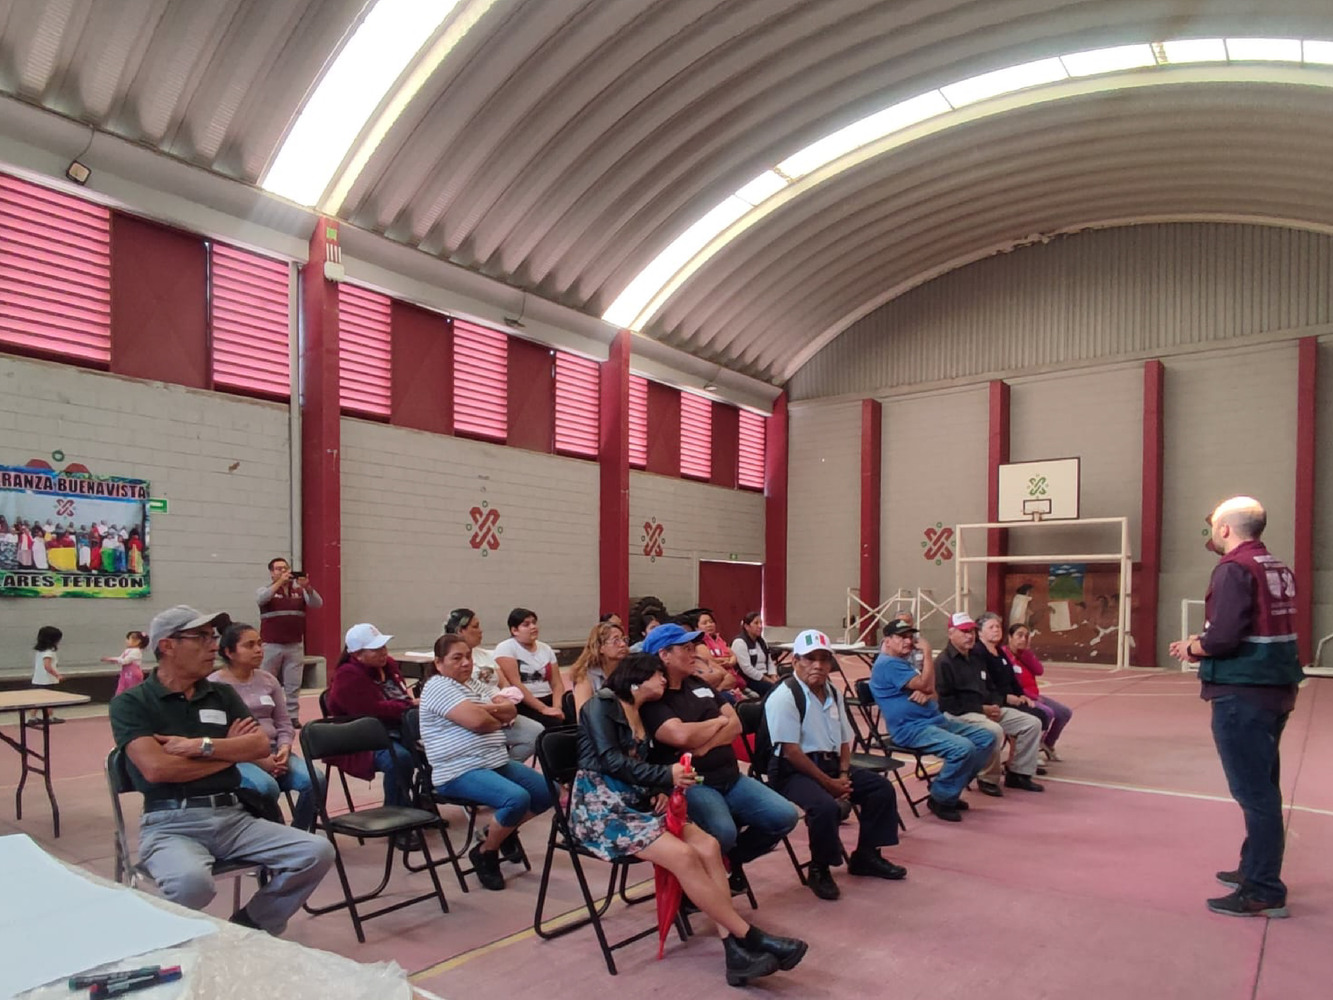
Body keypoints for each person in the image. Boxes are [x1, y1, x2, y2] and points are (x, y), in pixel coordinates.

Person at [573, 654, 808, 986]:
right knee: (684, 855)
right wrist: (664, 777)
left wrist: (658, 788)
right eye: (657, 675)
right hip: (602, 808)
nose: (663, 680)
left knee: (709, 846)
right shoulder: (600, 706)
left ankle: (734, 951)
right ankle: (749, 937)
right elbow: (610, 761)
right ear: (636, 678)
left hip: (637, 800)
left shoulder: (641, 711)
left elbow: (647, 761)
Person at [108, 605, 334, 933]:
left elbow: (258, 746)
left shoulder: (221, 694)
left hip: (233, 817)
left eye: (213, 636)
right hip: (170, 823)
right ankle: (172, 942)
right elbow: (156, 769)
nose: (213, 645)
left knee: (316, 851)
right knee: (192, 884)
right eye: (201, 637)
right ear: (167, 646)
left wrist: (202, 746)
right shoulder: (132, 703)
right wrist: (230, 750)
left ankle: (251, 925)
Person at [1169, 496, 1304, 919]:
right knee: (1263, 786)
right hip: (1275, 687)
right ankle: (1253, 868)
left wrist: (1194, 647)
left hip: (1243, 691)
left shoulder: (1233, 569)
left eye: (1214, 525)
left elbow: (1224, 637)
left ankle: (1263, 887)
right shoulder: (1276, 567)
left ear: (1225, 528)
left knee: (1254, 793)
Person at [639, 623, 798, 889]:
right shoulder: (655, 698)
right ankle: (699, 882)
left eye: (693, 647)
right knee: (723, 832)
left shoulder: (698, 684)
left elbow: (735, 723)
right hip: (694, 783)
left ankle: (730, 861)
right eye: (685, 648)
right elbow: (680, 736)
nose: (694, 653)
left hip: (731, 777)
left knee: (784, 816)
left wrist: (704, 745)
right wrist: (717, 723)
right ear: (664, 655)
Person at [765, 629, 905, 901]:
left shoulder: (833, 692)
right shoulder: (784, 696)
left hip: (829, 766)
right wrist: (829, 784)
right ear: (795, 661)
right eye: (810, 658)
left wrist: (842, 774)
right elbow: (791, 752)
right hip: (792, 771)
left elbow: (843, 738)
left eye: (824, 659)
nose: (817, 665)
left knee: (880, 789)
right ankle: (819, 868)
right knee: (825, 807)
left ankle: (866, 855)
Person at [420, 633, 552, 891]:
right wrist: (491, 714)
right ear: (438, 663)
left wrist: (483, 710)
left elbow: (511, 710)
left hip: (494, 761)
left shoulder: (472, 684)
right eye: (457, 658)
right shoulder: (438, 686)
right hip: (458, 770)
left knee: (548, 792)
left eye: (468, 656)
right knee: (516, 799)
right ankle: (485, 852)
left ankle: (500, 832)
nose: (466, 663)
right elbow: (479, 722)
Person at [868, 619, 996, 822]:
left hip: (934, 721)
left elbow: (934, 693)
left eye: (910, 637)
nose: (908, 641)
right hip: (911, 729)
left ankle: (949, 789)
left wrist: (926, 692)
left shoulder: (903, 663)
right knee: (963, 748)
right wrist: (927, 653)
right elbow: (927, 686)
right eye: (902, 637)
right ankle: (941, 797)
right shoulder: (888, 664)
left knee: (986, 737)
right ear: (887, 641)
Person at [210, 622, 323, 831]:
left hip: (276, 753)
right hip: (240, 758)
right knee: (266, 787)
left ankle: (297, 833)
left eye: (260, 643)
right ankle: (274, 835)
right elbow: (219, 736)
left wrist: (284, 748)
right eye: (249, 645)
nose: (258, 650)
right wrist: (261, 761)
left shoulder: (269, 680)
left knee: (316, 780)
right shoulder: (215, 686)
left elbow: (284, 723)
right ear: (229, 652)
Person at [935, 612, 1044, 794]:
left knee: (1032, 723)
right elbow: (947, 703)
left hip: (985, 709)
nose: (969, 636)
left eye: (971, 631)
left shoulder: (976, 658)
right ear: (951, 633)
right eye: (964, 632)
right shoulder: (943, 663)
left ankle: (1018, 773)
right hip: (960, 714)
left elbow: (990, 687)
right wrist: (981, 709)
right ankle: (987, 778)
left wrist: (996, 703)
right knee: (994, 730)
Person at [326, 623, 417, 807]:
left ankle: (423, 799)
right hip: (362, 737)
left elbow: (401, 696)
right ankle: (396, 813)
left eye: (383, 646)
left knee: (438, 745)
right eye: (375, 649)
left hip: (397, 727)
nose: (383, 652)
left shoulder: (388, 665)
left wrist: (409, 706)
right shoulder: (347, 676)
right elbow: (370, 711)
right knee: (400, 759)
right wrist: (407, 706)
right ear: (357, 654)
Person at [444, 608, 544, 763]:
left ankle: (506, 765)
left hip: (500, 709)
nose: (481, 631)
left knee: (537, 732)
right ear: (460, 631)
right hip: (475, 715)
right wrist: (493, 709)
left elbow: (504, 684)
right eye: (475, 626)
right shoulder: (451, 661)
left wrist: (505, 703)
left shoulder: (486, 655)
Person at [255, 556, 323, 724]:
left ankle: (292, 716)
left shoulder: (299, 592)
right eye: (279, 569)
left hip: (294, 645)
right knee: (266, 681)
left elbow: (317, 604)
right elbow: (261, 599)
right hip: (271, 645)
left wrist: (307, 587)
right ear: (271, 573)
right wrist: (279, 583)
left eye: (286, 568)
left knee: (293, 684)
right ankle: (266, 714)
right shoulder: (266, 590)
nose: (283, 571)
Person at [1005, 623, 1073, 760]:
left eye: (1026, 636)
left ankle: (1048, 744)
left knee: (1065, 712)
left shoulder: (1024, 655)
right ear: (1010, 637)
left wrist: (1026, 652)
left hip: (1035, 695)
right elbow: (1011, 684)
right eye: (1019, 635)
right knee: (1047, 712)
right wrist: (1030, 696)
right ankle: (1033, 749)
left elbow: (1039, 670)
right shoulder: (1005, 656)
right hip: (1020, 696)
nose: (1023, 639)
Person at [493, 607, 568, 727]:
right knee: (554, 724)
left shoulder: (546, 648)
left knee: (572, 714)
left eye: (534, 623)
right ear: (514, 630)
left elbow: (557, 683)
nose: (533, 627)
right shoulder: (505, 648)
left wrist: (557, 708)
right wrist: (543, 709)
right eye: (526, 624)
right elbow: (515, 684)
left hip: (548, 697)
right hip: (524, 701)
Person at [569, 620, 630, 716]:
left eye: (624, 639)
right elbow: (583, 717)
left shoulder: (629, 670)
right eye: (616, 641)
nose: (623, 644)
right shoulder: (585, 677)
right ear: (600, 647)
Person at [732, 612, 778, 696]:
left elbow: (769, 661)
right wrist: (766, 679)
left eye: (761, 623)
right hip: (750, 679)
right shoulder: (740, 642)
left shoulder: (762, 641)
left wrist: (773, 675)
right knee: (774, 690)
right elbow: (747, 669)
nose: (760, 626)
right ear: (746, 626)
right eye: (756, 623)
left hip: (765, 675)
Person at [104, 630, 149, 697]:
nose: (126, 641)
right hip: (125, 674)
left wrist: (115, 660)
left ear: (138, 641)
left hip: (133, 674)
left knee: (132, 690)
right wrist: (111, 659)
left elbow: (125, 661)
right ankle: (119, 698)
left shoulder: (136, 652)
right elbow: (121, 658)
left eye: (129, 639)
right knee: (121, 688)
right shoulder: (128, 650)